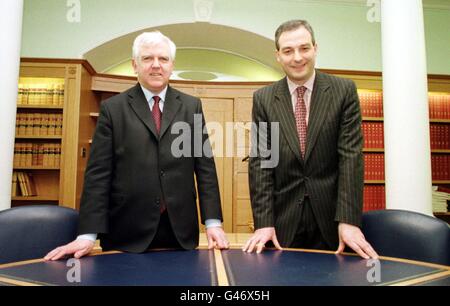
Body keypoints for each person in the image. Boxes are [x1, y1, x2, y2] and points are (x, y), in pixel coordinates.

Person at [45, 31, 229, 260]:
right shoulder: (113, 109)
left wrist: (213, 222)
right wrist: (88, 235)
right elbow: (98, 175)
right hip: (125, 234)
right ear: (134, 65)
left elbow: (205, 168)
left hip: (179, 233)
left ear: (171, 65)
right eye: (147, 58)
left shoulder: (191, 106)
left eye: (163, 59)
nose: (156, 65)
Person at [243, 20, 378, 259]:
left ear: (315, 48)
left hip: (333, 223)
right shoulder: (263, 99)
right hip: (282, 222)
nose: (297, 57)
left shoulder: (343, 91)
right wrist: (264, 222)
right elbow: (262, 163)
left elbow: (350, 157)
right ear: (278, 56)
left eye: (304, 48)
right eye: (288, 51)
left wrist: (348, 220)